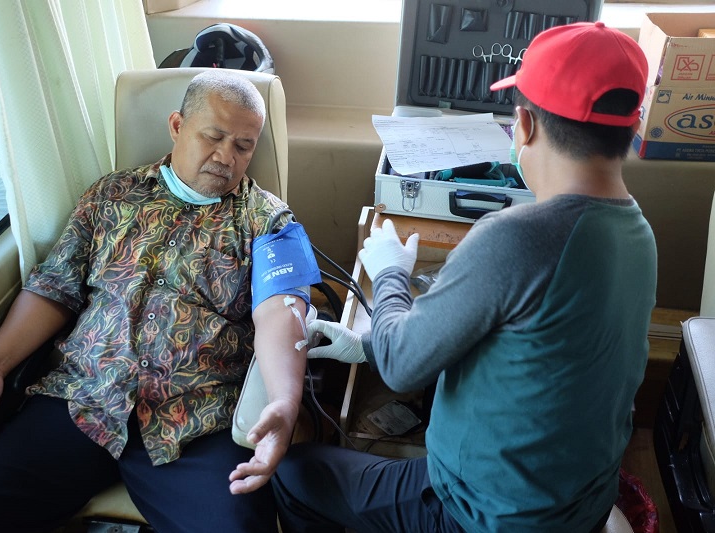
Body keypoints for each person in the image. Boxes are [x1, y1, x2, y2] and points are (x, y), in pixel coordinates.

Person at [272, 21, 657, 533]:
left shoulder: (515, 237)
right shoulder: (639, 234)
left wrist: (389, 274)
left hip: (487, 515)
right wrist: (367, 346)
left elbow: (402, 368)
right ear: (633, 126)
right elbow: (533, 344)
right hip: (579, 502)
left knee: (295, 474)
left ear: (524, 125)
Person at [0, 70, 318, 533]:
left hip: (196, 417)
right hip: (83, 399)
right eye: (213, 137)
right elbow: (55, 288)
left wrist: (284, 401)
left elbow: (282, 313)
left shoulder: (270, 222)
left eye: (244, 146)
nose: (226, 157)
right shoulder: (111, 195)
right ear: (177, 126)